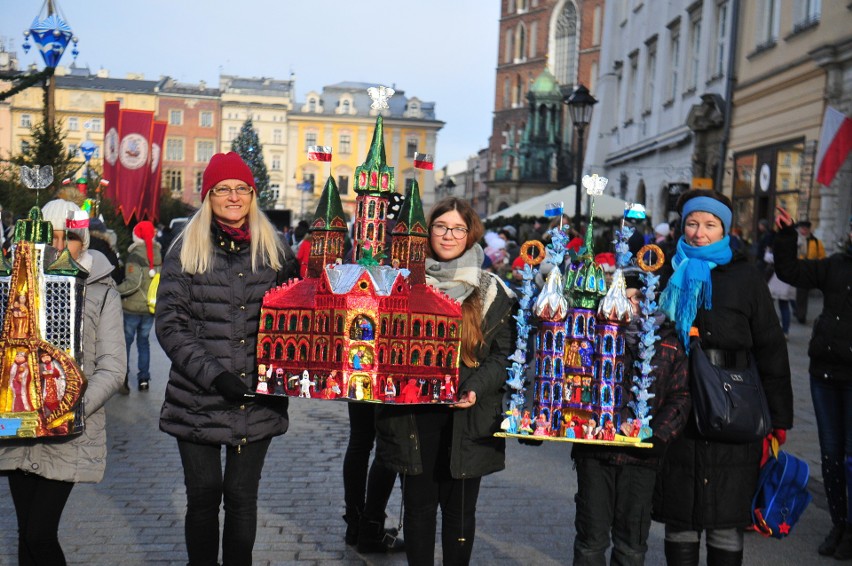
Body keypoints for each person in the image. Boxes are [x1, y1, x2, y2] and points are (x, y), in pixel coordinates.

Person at [156, 152, 297, 565]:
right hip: (197, 397)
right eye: (223, 189)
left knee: (240, 498)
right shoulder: (186, 249)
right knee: (203, 497)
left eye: (241, 189)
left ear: (252, 195)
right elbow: (170, 325)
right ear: (209, 195)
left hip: (257, 397)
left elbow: (294, 319)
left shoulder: (275, 250)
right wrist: (215, 376)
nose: (233, 197)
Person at [653, 189, 793, 566]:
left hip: (735, 402)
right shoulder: (666, 270)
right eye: (692, 223)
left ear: (724, 230)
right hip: (678, 403)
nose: (699, 232)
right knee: (679, 515)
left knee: (726, 520)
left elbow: (770, 346)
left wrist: (778, 419)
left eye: (709, 225)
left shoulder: (745, 276)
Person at [375, 197, 516, 565]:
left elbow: (503, 356)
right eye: (441, 226)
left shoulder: (490, 290)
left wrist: (475, 387)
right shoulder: (398, 281)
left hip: (468, 418)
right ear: (428, 230)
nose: (448, 235)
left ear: (471, 234)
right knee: (419, 511)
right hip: (412, 414)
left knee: (460, 515)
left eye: (458, 228)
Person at [0, 198, 125, 564]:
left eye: (67, 237)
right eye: (50, 236)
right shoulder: (13, 288)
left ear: (81, 241)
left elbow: (114, 367)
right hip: (16, 429)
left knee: (40, 533)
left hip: (67, 430)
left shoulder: (101, 290)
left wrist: (68, 407)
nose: (57, 245)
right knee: (25, 535)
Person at [572, 287, 691, 565]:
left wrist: (659, 435)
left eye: (636, 296)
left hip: (641, 458)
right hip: (596, 453)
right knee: (591, 539)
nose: (628, 303)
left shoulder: (669, 341)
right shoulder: (593, 333)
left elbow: (680, 395)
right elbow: (574, 381)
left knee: (631, 543)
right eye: (621, 295)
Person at [773, 208, 852, 560]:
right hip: (824, 375)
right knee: (831, 457)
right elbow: (790, 271)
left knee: (850, 459)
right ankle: (839, 523)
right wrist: (788, 235)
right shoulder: (835, 265)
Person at [116, 220, 162, 393]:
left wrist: (115, 290)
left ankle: (124, 378)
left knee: (126, 343)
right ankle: (144, 379)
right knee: (144, 343)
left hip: (132, 308)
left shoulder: (135, 255)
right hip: (150, 307)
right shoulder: (158, 254)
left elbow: (133, 283)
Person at [793, 220, 826, 324]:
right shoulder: (795, 240)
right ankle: (798, 311)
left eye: (805, 229)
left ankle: (801, 315)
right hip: (796, 269)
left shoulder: (816, 242)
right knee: (795, 294)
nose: (803, 230)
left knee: (802, 292)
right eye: (801, 228)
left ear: (809, 230)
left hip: (809, 271)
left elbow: (822, 257)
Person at [764, 245, 797, 337]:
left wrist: (767, 251)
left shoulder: (780, 249)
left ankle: (767, 328)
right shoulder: (793, 251)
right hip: (787, 281)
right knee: (784, 307)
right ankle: (785, 331)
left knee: (768, 306)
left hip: (776, 281)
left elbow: (768, 258)